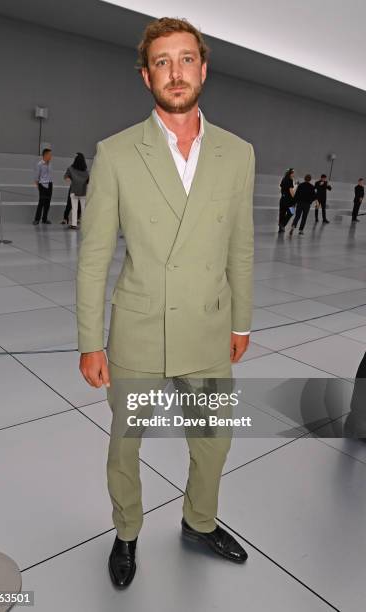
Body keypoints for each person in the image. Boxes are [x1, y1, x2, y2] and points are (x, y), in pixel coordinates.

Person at [77, 17, 254, 588]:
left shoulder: (238, 153)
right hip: (137, 331)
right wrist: (89, 341)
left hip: (208, 327)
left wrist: (243, 321)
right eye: (161, 62)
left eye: (184, 59)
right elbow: (94, 257)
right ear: (145, 75)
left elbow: (241, 245)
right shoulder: (118, 152)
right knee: (126, 445)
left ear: (202, 68)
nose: (174, 72)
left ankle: (198, 522)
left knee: (214, 439)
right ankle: (126, 533)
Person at [63, 153, 89, 229]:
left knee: (74, 208)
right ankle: (84, 224)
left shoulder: (70, 168)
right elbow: (88, 181)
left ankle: (74, 224)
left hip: (74, 190)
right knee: (83, 208)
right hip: (83, 192)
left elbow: (66, 177)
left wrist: (72, 180)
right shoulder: (86, 171)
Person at [33, 148, 53, 225]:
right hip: (42, 184)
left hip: (50, 184)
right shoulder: (39, 164)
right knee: (41, 203)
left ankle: (44, 219)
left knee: (48, 203)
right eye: (50, 154)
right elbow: (36, 177)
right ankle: (37, 219)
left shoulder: (50, 164)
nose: (51, 156)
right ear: (45, 155)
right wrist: (39, 186)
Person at [278, 168, 295, 232]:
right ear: (290, 174)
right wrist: (295, 198)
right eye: (293, 173)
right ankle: (283, 224)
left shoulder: (283, 179)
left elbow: (282, 188)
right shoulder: (290, 180)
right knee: (292, 212)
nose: (294, 174)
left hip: (282, 199)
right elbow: (291, 190)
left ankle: (281, 227)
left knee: (282, 213)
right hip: (289, 200)